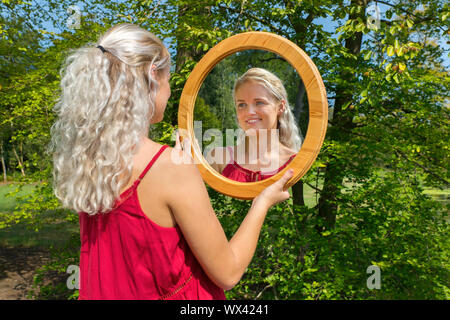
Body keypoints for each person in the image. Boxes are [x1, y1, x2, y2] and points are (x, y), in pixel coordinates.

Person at [49, 24, 294, 300]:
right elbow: (228, 273)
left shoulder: (92, 160)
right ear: (153, 76)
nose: (168, 91)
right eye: (168, 79)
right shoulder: (168, 166)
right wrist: (262, 202)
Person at [207, 68, 301, 182]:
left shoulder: (296, 161)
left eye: (259, 103)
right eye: (242, 104)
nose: (249, 112)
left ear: (280, 107)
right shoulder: (219, 158)